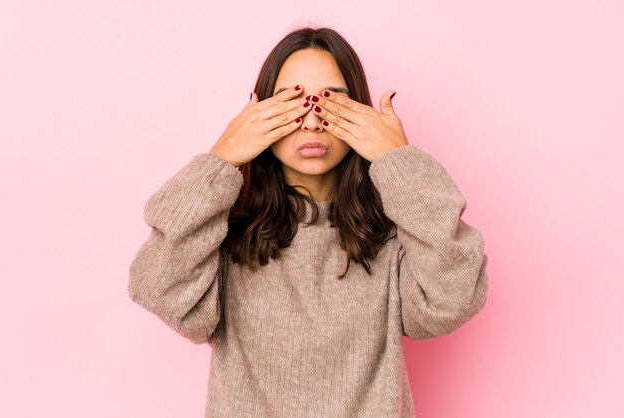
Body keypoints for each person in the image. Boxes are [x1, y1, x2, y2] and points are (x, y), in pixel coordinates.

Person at [128, 26, 489, 418]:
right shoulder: (223, 231)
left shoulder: (395, 233)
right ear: (260, 112)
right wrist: (223, 158)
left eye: (333, 104)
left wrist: (398, 162)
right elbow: (158, 288)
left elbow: (452, 301)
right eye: (293, 103)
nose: (313, 123)